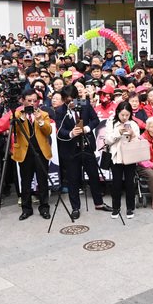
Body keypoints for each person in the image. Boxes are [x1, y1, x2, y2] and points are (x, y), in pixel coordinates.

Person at [0, 89, 53, 220]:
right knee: (26, 182)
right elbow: (14, 131)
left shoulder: (43, 113)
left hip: (41, 152)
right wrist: (21, 119)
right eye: (29, 101)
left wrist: (40, 121)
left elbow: (48, 131)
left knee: (43, 182)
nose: (32, 103)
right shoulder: (16, 114)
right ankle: (26, 209)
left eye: (35, 101)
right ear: (23, 100)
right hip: (25, 152)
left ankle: (44, 208)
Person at [51, 88, 107, 219]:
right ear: (64, 100)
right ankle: (75, 207)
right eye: (67, 100)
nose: (70, 102)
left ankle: (99, 203)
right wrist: (71, 133)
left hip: (86, 145)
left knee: (93, 175)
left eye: (73, 99)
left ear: (77, 97)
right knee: (73, 179)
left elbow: (95, 120)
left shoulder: (84, 104)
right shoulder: (60, 111)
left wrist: (87, 128)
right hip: (70, 149)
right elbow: (60, 130)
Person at [100, 102, 141, 219]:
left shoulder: (133, 124)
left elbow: (138, 142)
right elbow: (107, 140)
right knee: (116, 183)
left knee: (129, 183)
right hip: (116, 156)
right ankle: (116, 208)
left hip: (130, 156)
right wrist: (118, 132)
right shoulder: (111, 123)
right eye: (122, 115)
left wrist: (132, 135)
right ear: (117, 113)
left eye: (127, 115)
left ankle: (130, 208)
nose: (124, 117)